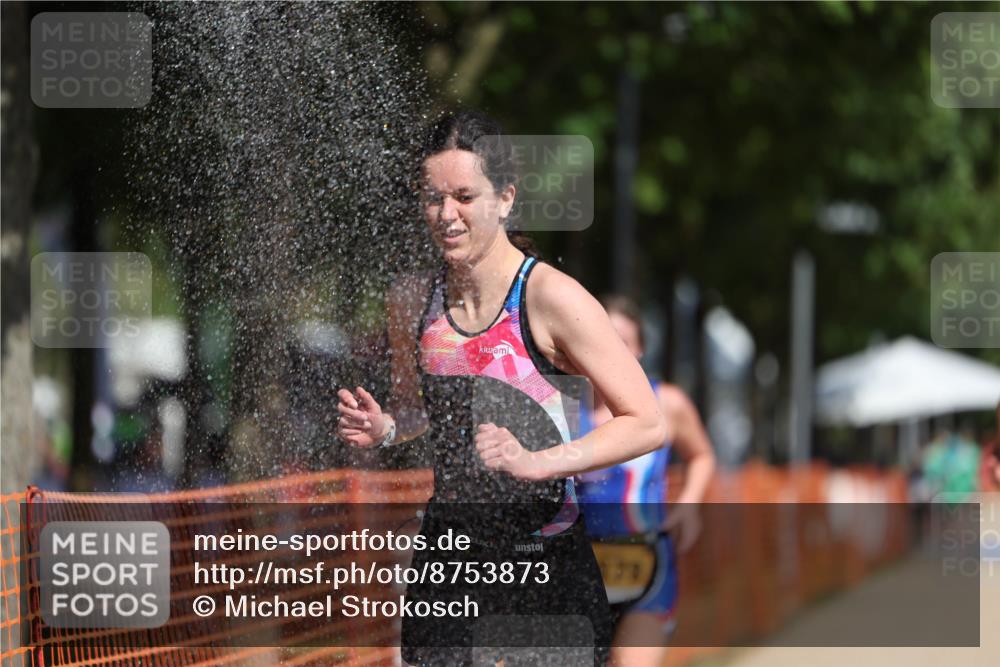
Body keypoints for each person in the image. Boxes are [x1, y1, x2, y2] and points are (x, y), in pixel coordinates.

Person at [335, 111, 668, 666]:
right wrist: (388, 428)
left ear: (505, 199)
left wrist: (543, 461)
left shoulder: (550, 298)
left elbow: (647, 421)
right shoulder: (412, 300)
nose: (447, 215)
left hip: (544, 563)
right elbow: (424, 413)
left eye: (465, 196)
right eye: (432, 198)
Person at [575, 295, 715, 667]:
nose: (609, 350)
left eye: (622, 341)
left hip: (649, 567)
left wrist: (689, 506)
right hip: (576, 573)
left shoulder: (667, 404)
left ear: (638, 350)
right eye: (601, 336)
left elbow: (702, 455)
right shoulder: (563, 406)